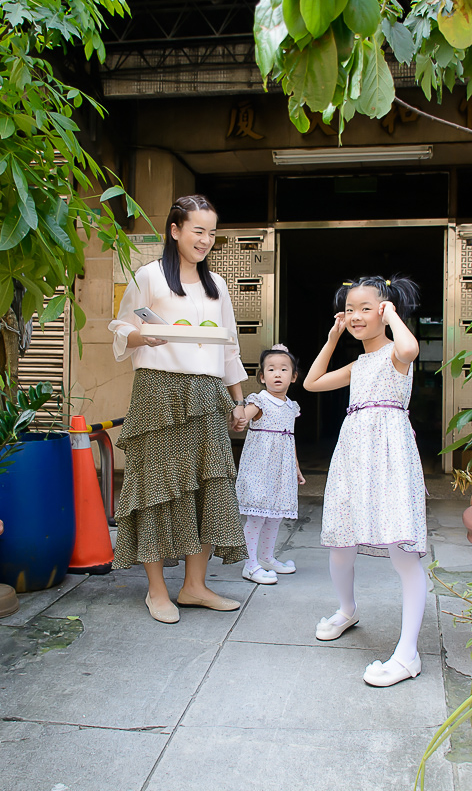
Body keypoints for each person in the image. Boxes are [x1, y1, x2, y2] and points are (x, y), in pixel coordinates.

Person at [107, 194, 250, 624]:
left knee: (209, 487)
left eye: (211, 232)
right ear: (175, 230)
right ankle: (156, 591)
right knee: (156, 488)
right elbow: (120, 327)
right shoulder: (149, 276)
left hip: (208, 393)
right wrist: (141, 338)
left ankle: (194, 586)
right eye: (197, 230)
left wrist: (240, 400)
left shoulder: (217, 285)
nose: (205, 240)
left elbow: (230, 348)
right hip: (158, 389)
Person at [302, 275, 428, 687]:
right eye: (349, 309)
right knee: (341, 542)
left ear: (385, 309)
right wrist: (333, 337)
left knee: (401, 552)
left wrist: (392, 316)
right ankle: (346, 609)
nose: (355, 316)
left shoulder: (396, 353)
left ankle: (407, 654)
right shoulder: (359, 364)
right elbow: (312, 383)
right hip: (354, 453)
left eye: (364, 308)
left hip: (390, 455)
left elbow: (410, 347)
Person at [233, 345, 306, 585]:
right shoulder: (260, 401)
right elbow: (244, 414)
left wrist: (295, 466)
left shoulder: (291, 407)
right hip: (260, 469)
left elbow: (290, 438)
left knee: (274, 516)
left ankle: (265, 557)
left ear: (293, 376)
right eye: (271, 369)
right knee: (257, 517)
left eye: (284, 369)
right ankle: (249, 563)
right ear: (262, 377)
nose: (277, 374)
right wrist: (239, 414)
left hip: (282, 470)